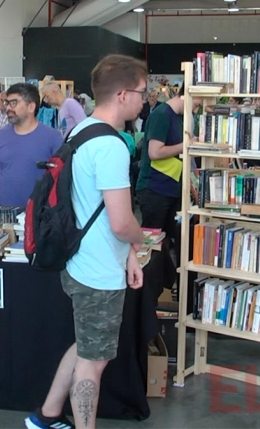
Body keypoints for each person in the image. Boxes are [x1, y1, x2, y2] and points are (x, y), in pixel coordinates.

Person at [25, 55, 146, 429]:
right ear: (123, 95)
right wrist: (140, 241)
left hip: (78, 261)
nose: (146, 98)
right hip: (98, 272)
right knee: (93, 363)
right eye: (143, 92)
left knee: (86, 347)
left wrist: (127, 251)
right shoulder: (112, 146)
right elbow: (122, 221)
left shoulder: (82, 131)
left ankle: (45, 415)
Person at [136, 87, 198, 296]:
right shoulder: (162, 115)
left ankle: (171, 289)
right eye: (198, 102)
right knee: (153, 243)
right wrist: (185, 145)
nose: (198, 108)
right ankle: (148, 293)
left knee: (176, 239)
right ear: (188, 93)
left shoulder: (178, 117)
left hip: (172, 188)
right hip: (155, 189)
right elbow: (155, 152)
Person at [0, 83, 62, 211]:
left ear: (31, 107)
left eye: (14, 103)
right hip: (4, 218)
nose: (8, 108)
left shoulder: (53, 138)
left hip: (40, 218)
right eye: (7, 103)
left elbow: (62, 178)